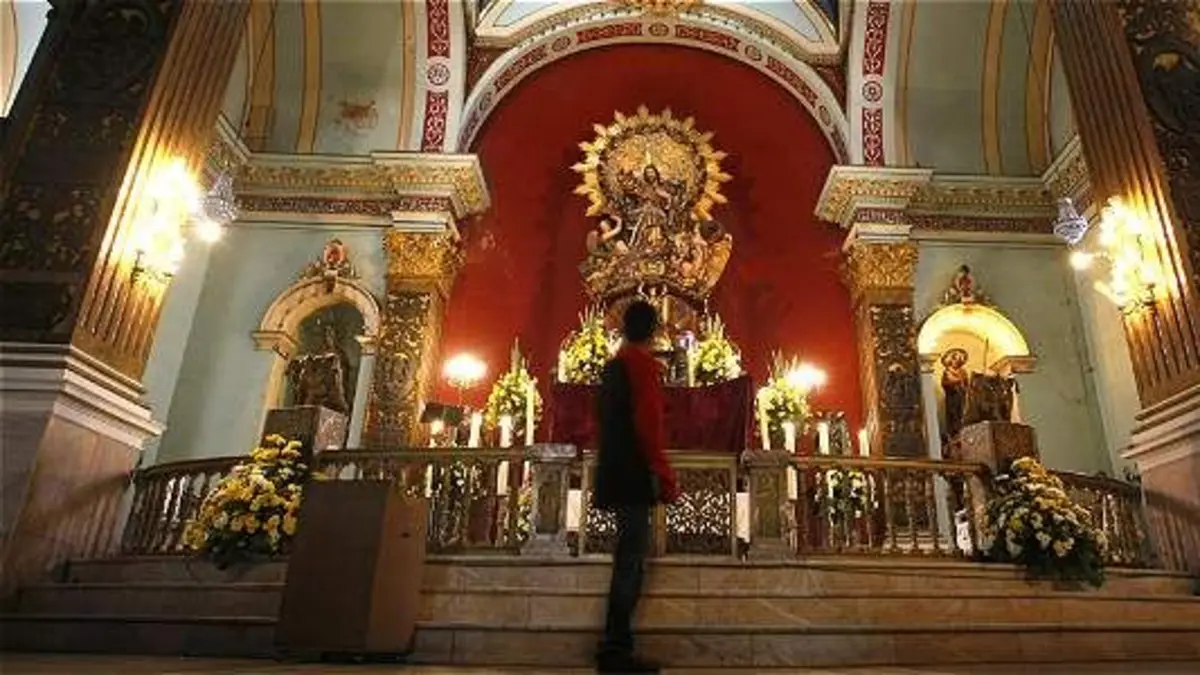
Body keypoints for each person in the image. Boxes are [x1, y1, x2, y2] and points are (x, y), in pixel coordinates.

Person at [593, 300, 680, 674]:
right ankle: (615, 650)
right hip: (634, 475)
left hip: (615, 471)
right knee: (630, 563)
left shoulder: (614, 365)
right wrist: (663, 473)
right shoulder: (641, 366)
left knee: (626, 560)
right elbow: (648, 426)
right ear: (654, 331)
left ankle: (616, 646)